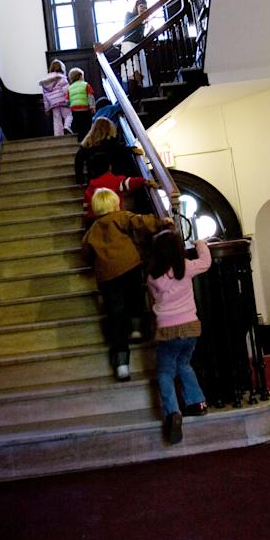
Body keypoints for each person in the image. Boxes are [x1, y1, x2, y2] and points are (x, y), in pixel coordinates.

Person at [81, 188, 172, 381]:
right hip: (129, 266)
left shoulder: (92, 230)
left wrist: (94, 264)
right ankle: (137, 327)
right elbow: (141, 222)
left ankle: (122, 364)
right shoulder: (121, 217)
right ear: (115, 204)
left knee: (115, 315)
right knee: (135, 296)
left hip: (107, 276)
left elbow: (86, 253)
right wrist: (161, 222)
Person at [147, 231, 212, 445]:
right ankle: (197, 402)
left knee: (165, 371)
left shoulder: (152, 276)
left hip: (168, 328)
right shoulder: (185, 267)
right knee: (184, 364)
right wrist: (200, 243)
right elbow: (206, 262)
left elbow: (154, 299)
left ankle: (173, 413)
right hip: (190, 326)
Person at [82, 152, 152, 219]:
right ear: (110, 167)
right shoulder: (115, 181)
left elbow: (86, 208)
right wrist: (144, 181)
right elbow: (130, 182)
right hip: (115, 217)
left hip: (98, 220)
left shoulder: (90, 187)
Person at [74, 116, 142, 184]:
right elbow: (121, 150)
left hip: (94, 180)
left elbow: (78, 162)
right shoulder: (112, 143)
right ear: (110, 128)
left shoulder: (87, 145)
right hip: (112, 179)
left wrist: (80, 180)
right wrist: (132, 150)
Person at [119, 0, 154, 92]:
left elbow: (140, 39)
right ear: (136, 7)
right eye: (141, 6)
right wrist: (140, 16)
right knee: (132, 70)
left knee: (142, 70)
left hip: (137, 46)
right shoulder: (129, 14)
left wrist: (149, 33)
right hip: (129, 44)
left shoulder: (143, 23)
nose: (143, 9)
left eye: (145, 8)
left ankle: (142, 89)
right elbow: (129, 25)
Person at [39, 59, 72, 136]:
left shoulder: (46, 81)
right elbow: (66, 90)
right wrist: (69, 100)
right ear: (62, 68)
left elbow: (45, 96)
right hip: (63, 101)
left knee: (56, 120)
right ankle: (67, 126)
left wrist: (46, 108)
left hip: (53, 103)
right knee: (68, 115)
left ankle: (58, 135)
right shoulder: (62, 78)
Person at [67, 67, 94, 139]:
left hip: (74, 109)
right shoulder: (86, 85)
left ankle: (79, 138)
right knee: (87, 124)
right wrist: (92, 107)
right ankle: (87, 138)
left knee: (78, 124)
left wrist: (69, 106)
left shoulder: (69, 88)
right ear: (80, 76)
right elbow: (90, 96)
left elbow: (67, 100)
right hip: (84, 108)